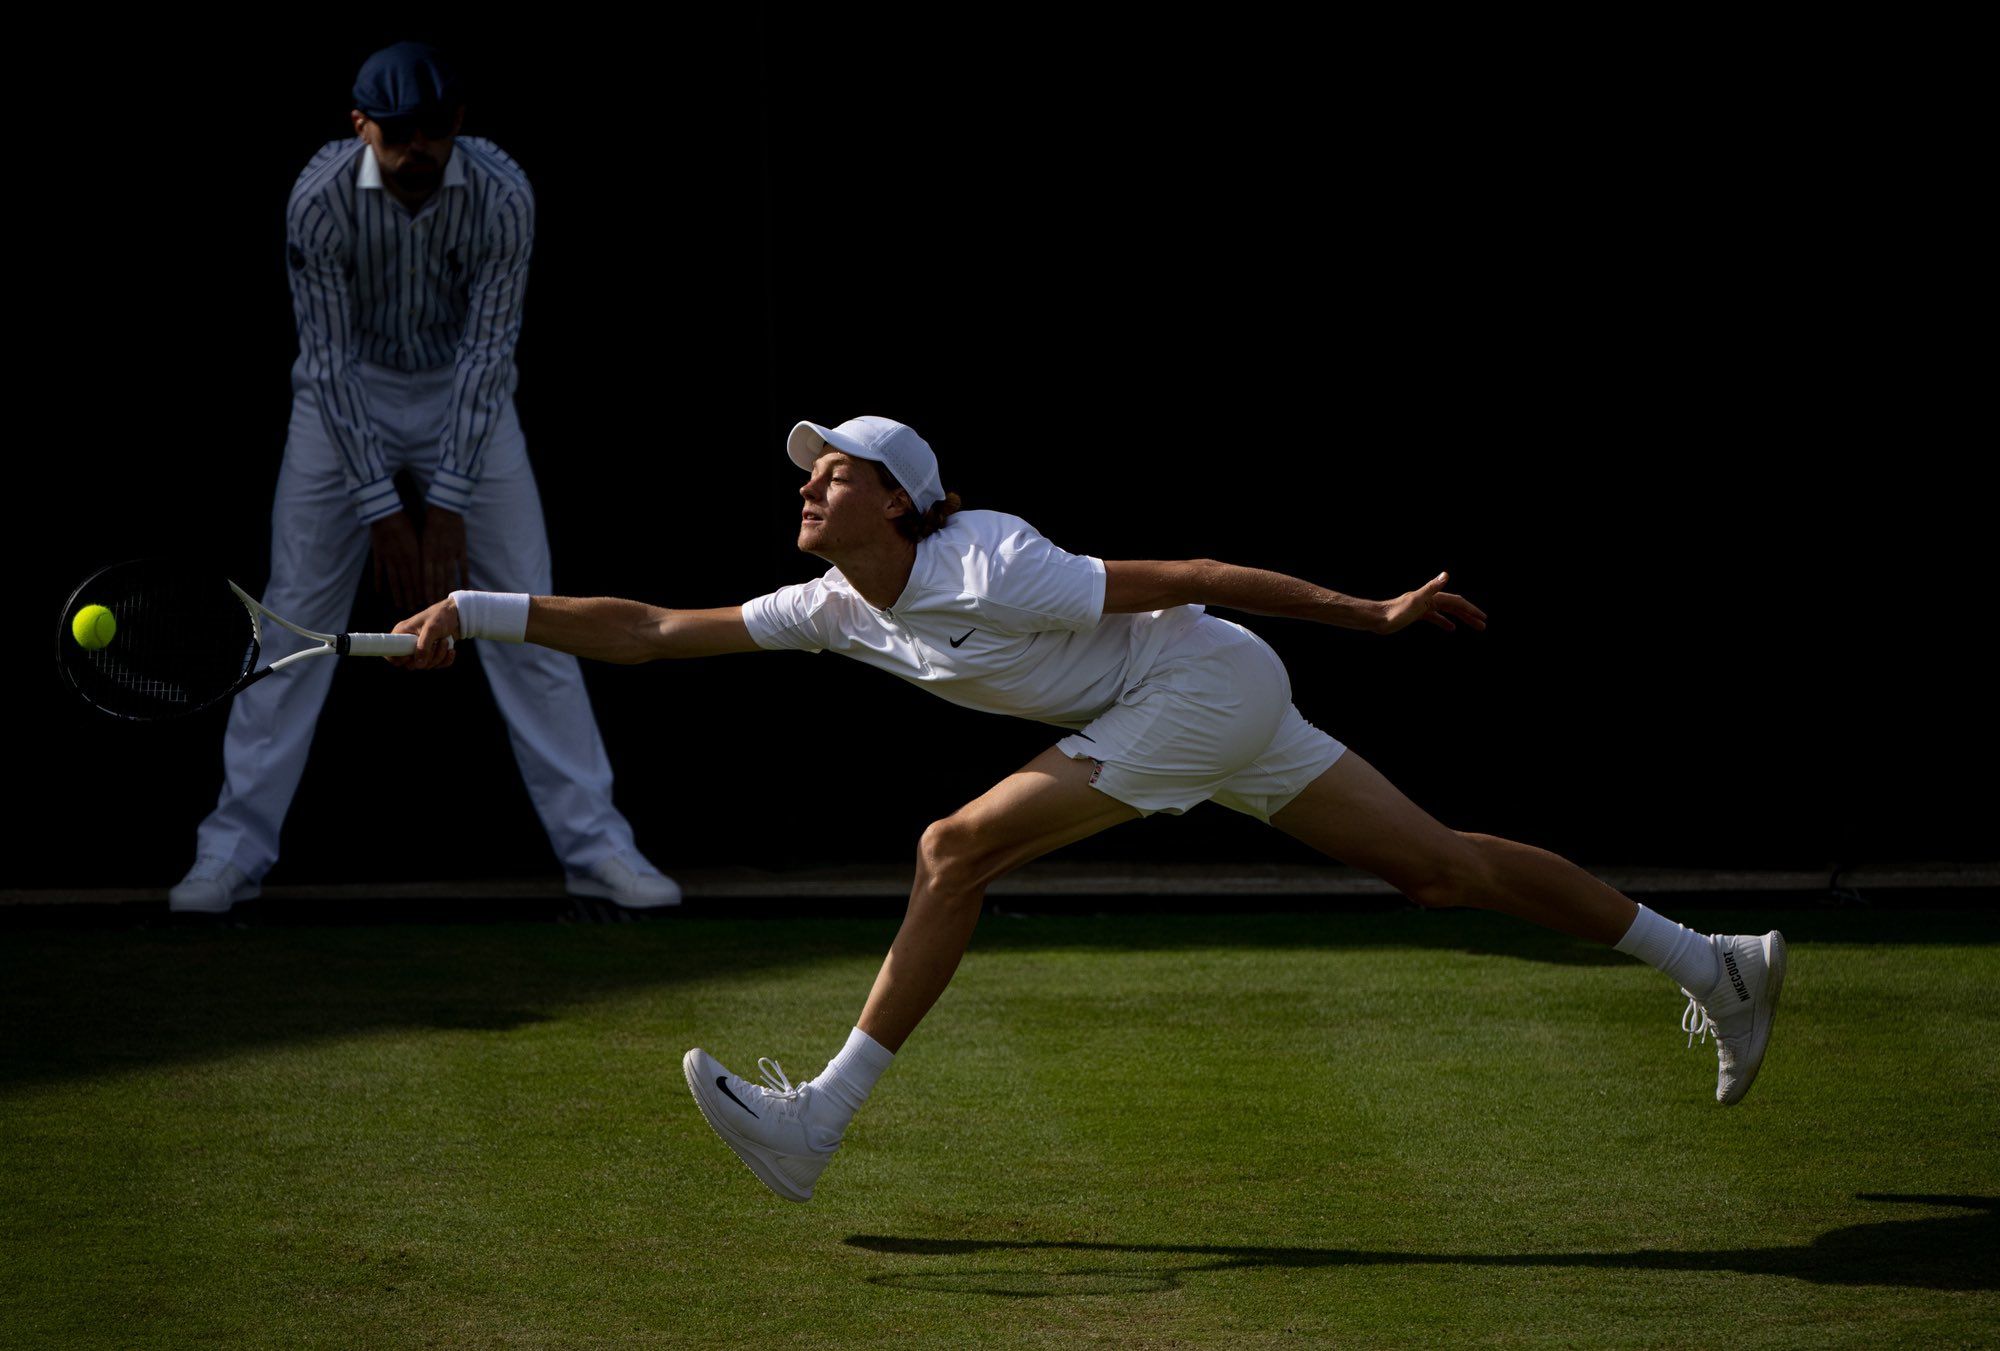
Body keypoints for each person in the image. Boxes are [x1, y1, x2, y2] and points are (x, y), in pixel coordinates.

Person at [391, 415, 1786, 1202]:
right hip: (1199, 702)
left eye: (837, 469)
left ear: (904, 498)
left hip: (1197, 678)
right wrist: (483, 608)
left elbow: (1193, 568)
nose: (809, 482)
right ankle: (1713, 961)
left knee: (953, 845)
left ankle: (815, 1118)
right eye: (808, 468)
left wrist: (1367, 608)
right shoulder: (829, 603)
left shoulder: (996, 565)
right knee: (1438, 868)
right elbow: (644, 627)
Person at [170, 41, 676, 914]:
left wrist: (444, 504)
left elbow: (489, 354)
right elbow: (325, 361)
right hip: (346, 395)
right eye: (397, 131)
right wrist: (381, 508)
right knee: (290, 621)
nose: (417, 149)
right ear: (360, 126)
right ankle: (229, 857)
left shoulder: (504, 195)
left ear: (458, 126)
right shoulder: (319, 202)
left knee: (535, 618)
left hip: (463, 397)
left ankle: (599, 852)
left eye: (433, 130)